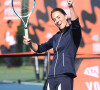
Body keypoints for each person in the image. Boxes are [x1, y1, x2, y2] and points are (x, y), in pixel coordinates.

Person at [23, 0, 81, 90]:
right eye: (54, 19)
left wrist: (71, 7)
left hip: (65, 76)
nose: (57, 21)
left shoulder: (73, 33)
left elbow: (76, 24)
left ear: (65, 16)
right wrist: (30, 43)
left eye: (58, 17)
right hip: (51, 77)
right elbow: (40, 48)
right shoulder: (56, 37)